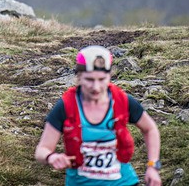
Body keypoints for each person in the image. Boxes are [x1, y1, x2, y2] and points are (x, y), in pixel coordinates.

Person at [35, 45, 162, 186]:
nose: (96, 87)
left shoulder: (123, 101)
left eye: (102, 79)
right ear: (78, 77)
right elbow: (41, 150)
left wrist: (152, 166)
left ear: (109, 76)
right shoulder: (66, 106)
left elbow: (150, 129)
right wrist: (51, 157)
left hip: (123, 182)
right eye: (89, 79)